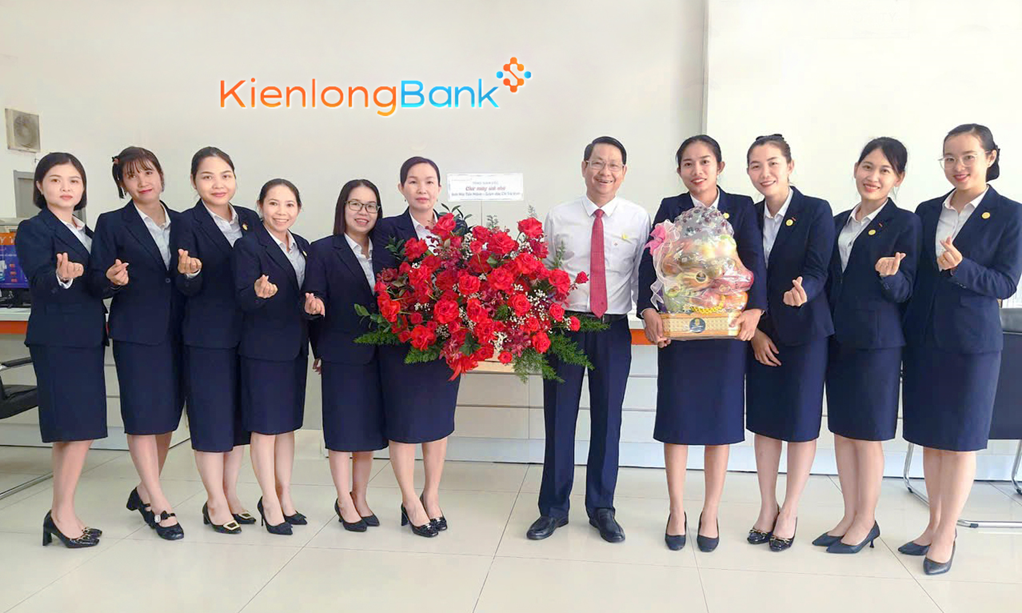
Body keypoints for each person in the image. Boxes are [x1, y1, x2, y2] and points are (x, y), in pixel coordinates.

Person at [901, 124, 1022, 575]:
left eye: (968, 156)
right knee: (931, 438)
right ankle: (933, 525)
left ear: (991, 157)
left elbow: (1005, 283)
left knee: (960, 441)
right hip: (925, 339)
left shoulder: (1010, 214)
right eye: (949, 158)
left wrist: (962, 267)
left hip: (972, 345)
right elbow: (916, 276)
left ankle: (948, 533)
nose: (958, 166)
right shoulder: (927, 210)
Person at [638, 135, 767, 552]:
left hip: (725, 332)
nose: (697, 170)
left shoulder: (742, 207)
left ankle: (710, 512)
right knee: (677, 421)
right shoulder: (670, 207)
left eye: (705, 162)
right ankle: (677, 510)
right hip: (680, 330)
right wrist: (648, 310)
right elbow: (651, 264)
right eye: (688, 163)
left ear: (720, 166)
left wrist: (755, 310)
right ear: (679, 170)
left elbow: (754, 260)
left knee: (719, 423)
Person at [527, 136, 651, 544]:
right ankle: (553, 508)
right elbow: (543, 272)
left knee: (608, 420)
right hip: (565, 326)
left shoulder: (638, 218)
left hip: (613, 327)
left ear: (624, 173)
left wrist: (653, 317)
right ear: (584, 167)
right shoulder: (559, 216)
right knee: (559, 417)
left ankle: (602, 507)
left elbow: (643, 276)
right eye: (597, 163)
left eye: (614, 165)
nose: (605, 172)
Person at [816, 137, 920, 554]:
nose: (873, 177)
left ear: (898, 178)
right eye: (867, 167)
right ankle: (849, 515)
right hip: (838, 338)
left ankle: (866, 520)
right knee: (843, 432)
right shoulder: (839, 220)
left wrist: (890, 276)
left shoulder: (905, 223)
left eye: (884, 171)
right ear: (856, 169)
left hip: (877, 344)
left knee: (868, 435)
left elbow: (907, 289)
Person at [89, 147, 185, 540]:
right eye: (131, 176)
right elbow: (96, 281)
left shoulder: (183, 221)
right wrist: (112, 280)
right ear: (122, 184)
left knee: (166, 417)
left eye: (148, 172)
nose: (142, 181)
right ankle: (158, 503)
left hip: (179, 331)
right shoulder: (112, 223)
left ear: (160, 175)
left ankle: (145, 489)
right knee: (143, 415)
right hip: (136, 333)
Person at [744, 134, 834, 551]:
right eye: (756, 165)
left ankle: (791, 509)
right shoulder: (746, 214)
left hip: (805, 332)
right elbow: (735, 277)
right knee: (765, 422)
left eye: (773, 163)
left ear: (790, 166)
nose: (765, 173)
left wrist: (805, 292)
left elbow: (818, 269)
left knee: (800, 424)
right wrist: (756, 333)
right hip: (760, 332)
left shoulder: (815, 210)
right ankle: (767, 507)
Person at [17, 152, 107, 548]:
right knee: (76, 430)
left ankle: (61, 510)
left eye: (74, 180)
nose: (66, 188)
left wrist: (112, 279)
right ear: (40, 186)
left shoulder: (86, 231)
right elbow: (39, 281)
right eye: (55, 180)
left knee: (71, 432)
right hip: (57, 340)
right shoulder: (33, 229)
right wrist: (60, 275)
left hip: (85, 338)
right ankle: (61, 514)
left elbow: (95, 284)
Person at [173, 146, 260, 534]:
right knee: (211, 419)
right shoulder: (186, 222)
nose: (218, 184)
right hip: (207, 336)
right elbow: (184, 285)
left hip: (248, 335)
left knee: (239, 420)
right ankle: (214, 500)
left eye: (225, 175)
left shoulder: (250, 220)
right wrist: (189, 272)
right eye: (207, 176)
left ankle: (231, 493)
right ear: (194, 182)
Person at [372, 156, 459, 538]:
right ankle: (409, 500)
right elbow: (385, 279)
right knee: (404, 424)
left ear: (439, 188)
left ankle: (431, 495)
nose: (421, 189)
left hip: (445, 343)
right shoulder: (388, 228)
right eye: (412, 181)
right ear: (401, 188)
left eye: (428, 181)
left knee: (438, 424)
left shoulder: (456, 227)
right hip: (402, 339)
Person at [305, 179, 387, 532]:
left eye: (370, 206)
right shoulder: (324, 249)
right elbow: (314, 298)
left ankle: (360, 496)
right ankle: (342, 499)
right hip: (340, 353)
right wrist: (319, 344)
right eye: (355, 204)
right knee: (341, 431)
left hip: (380, 354)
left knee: (367, 432)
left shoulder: (386, 250)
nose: (363, 212)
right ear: (343, 208)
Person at [233, 179, 311, 536]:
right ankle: (269, 501)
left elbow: (306, 296)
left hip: (294, 348)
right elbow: (243, 298)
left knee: (286, 427)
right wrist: (258, 292)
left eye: (289, 204)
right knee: (265, 429)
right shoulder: (248, 245)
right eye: (274, 203)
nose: (282, 212)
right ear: (260, 206)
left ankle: (285, 496)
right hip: (262, 350)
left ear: (298, 208)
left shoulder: (303, 246)